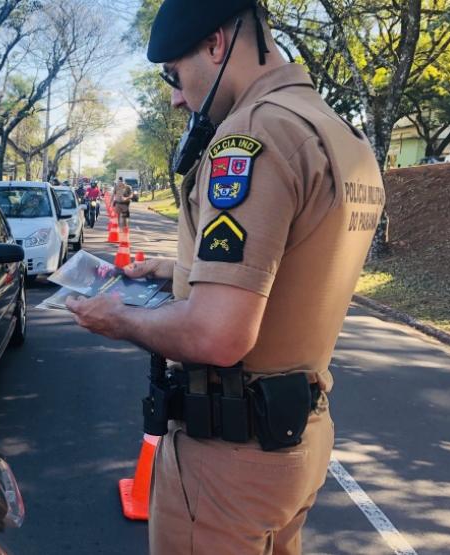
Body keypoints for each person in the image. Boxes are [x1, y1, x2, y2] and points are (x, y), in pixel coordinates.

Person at [66, 1, 383, 553]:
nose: (176, 96)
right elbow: (289, 269)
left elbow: (219, 334)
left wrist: (117, 318)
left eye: (175, 74)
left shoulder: (253, 135)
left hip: (229, 461)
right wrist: (182, 274)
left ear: (215, 44)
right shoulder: (339, 135)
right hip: (296, 442)